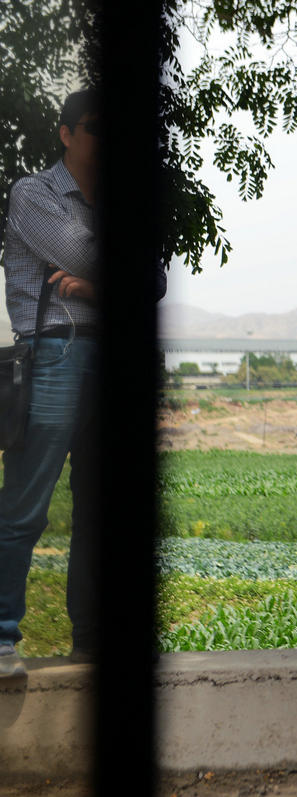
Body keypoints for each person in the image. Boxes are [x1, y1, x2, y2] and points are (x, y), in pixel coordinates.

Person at [0, 89, 109, 678]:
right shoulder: (34, 194)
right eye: (94, 127)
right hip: (54, 354)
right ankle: (0, 636)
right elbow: (81, 250)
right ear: (66, 133)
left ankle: (90, 639)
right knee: (25, 505)